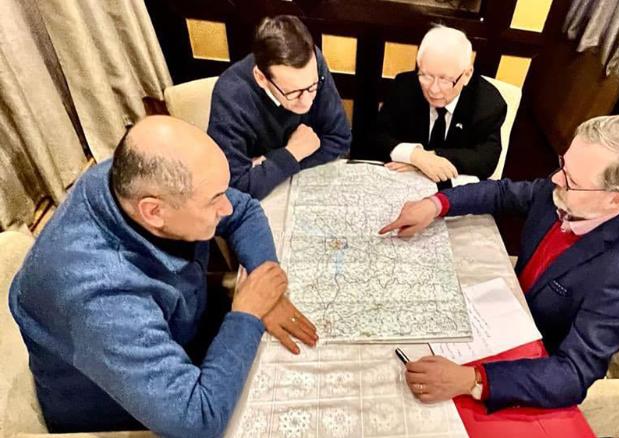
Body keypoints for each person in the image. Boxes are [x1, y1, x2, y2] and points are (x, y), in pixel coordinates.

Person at [9, 116, 317, 436]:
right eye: (214, 200)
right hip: (120, 417)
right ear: (154, 212)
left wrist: (264, 279)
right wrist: (247, 313)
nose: (226, 207)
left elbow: (245, 210)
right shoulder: (100, 298)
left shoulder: (128, 178)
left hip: (179, 336)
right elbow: (196, 422)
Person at [379, 115, 619, 411]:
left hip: (529, 361)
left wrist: (473, 379)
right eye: (563, 165)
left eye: (572, 181)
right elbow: (503, 193)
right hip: (504, 311)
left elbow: (574, 373)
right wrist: (436, 204)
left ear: (615, 201)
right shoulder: (567, 190)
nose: (556, 179)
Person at [208, 15, 351, 200]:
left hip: (299, 186)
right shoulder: (231, 95)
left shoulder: (314, 62)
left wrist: (269, 166)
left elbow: (340, 139)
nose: (307, 101)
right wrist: (292, 153)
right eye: (293, 93)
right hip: (263, 202)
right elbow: (234, 187)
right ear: (261, 78)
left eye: (313, 87)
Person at [372, 25, 507, 183]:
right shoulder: (404, 86)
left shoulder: (489, 104)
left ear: (467, 75)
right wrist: (414, 155)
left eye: (445, 79)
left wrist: (431, 158)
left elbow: (486, 160)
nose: (433, 90)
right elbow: (376, 135)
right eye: (426, 75)